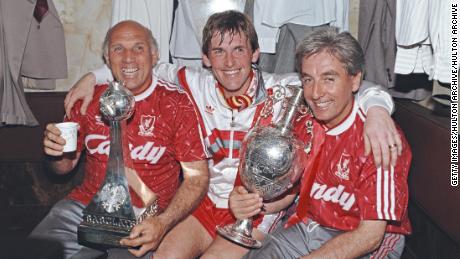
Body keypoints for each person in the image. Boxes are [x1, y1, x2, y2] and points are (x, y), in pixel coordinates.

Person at [64, 11, 403, 258]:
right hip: (208, 202)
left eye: (239, 49)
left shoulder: (283, 88)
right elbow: (137, 67)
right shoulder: (192, 83)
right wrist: (93, 77)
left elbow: (339, 82)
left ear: (255, 54)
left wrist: (376, 109)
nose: (229, 62)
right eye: (218, 51)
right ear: (205, 59)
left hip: (256, 210)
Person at [29, 21, 209, 259]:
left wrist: (164, 223)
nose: (128, 58)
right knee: (34, 251)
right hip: (83, 208)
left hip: (147, 216)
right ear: (107, 57)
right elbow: (63, 169)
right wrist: (56, 153)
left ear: (154, 55)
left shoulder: (176, 103)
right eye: (118, 49)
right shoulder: (88, 99)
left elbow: (197, 177)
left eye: (138, 48)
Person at [232, 28, 411, 259]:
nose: (316, 93)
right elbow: (290, 194)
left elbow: (371, 235)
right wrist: (250, 204)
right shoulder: (304, 124)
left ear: (355, 79)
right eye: (308, 79)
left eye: (329, 79)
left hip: (367, 240)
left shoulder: (379, 138)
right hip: (312, 227)